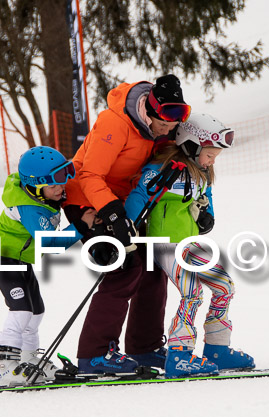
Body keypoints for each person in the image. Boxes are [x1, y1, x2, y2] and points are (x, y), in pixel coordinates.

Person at [63, 74, 192, 374]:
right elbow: (89, 175)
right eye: (166, 120)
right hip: (87, 199)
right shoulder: (115, 123)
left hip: (124, 203)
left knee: (151, 264)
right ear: (150, 108)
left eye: (178, 118)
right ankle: (94, 355)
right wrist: (111, 214)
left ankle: (144, 347)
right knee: (124, 267)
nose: (171, 127)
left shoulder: (161, 127)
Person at [124, 113, 255, 378]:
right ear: (191, 144)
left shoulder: (201, 173)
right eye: (210, 155)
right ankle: (179, 355)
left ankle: (217, 349)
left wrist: (209, 215)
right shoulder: (160, 170)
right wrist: (126, 226)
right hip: (165, 244)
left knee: (224, 286)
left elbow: (206, 196)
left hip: (191, 242)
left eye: (215, 157)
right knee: (192, 293)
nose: (211, 161)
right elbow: (138, 197)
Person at [0, 146, 97, 389]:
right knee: (22, 309)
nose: (61, 188)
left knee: (36, 311)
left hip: (21, 259)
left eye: (63, 179)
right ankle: (4, 367)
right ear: (36, 186)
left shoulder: (44, 194)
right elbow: (50, 244)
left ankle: (28, 360)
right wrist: (80, 225)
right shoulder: (30, 207)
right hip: (4, 257)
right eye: (54, 184)